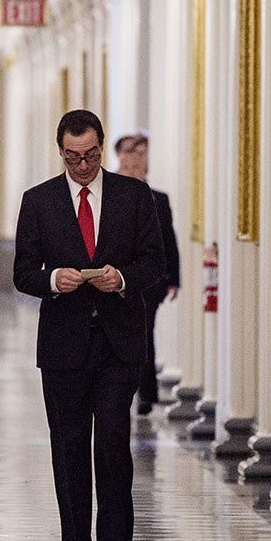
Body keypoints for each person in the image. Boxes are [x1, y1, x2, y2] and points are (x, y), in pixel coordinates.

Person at [13, 109, 167, 541]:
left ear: (102, 148)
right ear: (60, 151)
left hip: (120, 342)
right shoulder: (38, 201)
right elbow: (21, 272)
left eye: (91, 156)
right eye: (73, 157)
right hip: (64, 345)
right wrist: (53, 281)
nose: (83, 166)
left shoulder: (133, 196)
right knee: (70, 445)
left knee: (114, 446)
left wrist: (121, 278)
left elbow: (155, 263)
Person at [114, 133, 181, 415]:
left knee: (145, 334)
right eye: (126, 169)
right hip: (119, 280)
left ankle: (146, 394)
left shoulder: (158, 199)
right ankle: (125, 389)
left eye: (136, 168)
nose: (131, 173)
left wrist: (174, 278)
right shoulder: (112, 198)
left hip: (151, 280)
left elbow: (169, 239)